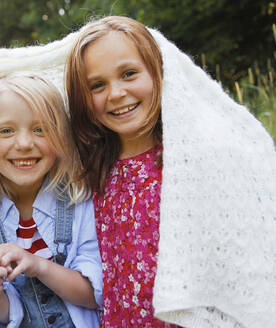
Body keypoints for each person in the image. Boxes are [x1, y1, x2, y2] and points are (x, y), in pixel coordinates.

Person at [65, 15, 276, 328]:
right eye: (97, 85)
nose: (116, 93)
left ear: (159, 71)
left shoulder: (191, 159)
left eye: (129, 74)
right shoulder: (92, 170)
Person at [0, 72, 102, 327]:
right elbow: (1, 318)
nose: (25, 143)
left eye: (41, 129)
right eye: (6, 131)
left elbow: (95, 295)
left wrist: (39, 266)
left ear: (60, 139)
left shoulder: (81, 203)